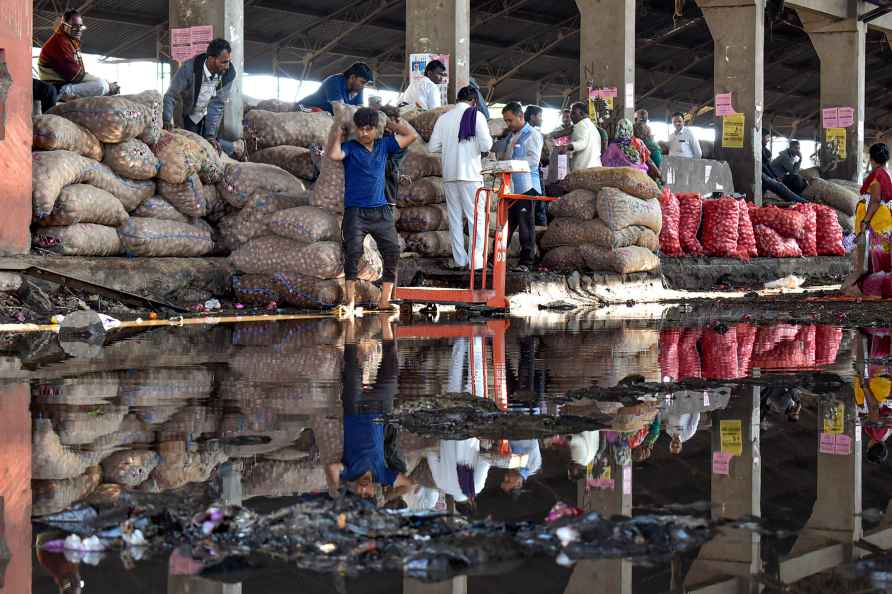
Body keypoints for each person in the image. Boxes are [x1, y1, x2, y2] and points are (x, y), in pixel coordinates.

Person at [327, 107, 417, 314]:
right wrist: (337, 133)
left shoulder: (384, 145)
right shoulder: (350, 147)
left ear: (376, 130)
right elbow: (333, 154)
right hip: (356, 212)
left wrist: (392, 126)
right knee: (353, 253)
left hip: (381, 211)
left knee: (392, 252)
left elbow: (411, 135)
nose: (364, 133)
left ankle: (384, 301)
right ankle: (349, 301)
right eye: (360, 129)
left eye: (368, 129)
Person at [325, 317, 416, 501]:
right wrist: (390, 496)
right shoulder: (382, 475)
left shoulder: (348, 473)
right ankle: (385, 321)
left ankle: (350, 322)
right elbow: (409, 485)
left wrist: (334, 488)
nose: (363, 490)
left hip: (355, 407)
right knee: (391, 367)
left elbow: (332, 468)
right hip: (380, 408)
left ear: (354, 490)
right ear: (374, 492)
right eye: (368, 495)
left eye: (360, 494)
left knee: (351, 364)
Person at [428, 85, 494, 271]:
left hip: (450, 175)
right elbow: (486, 145)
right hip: (471, 175)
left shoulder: (444, 118)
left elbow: (432, 147)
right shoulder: (476, 116)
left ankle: (460, 260)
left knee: (455, 218)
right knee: (476, 219)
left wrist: (450, 150)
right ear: (473, 101)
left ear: (458, 99)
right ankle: (477, 263)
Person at [162, 38, 243, 159]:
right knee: (192, 146)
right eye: (223, 62)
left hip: (209, 113)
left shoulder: (229, 74)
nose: (227, 66)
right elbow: (171, 95)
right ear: (211, 59)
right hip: (190, 113)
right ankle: (234, 147)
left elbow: (216, 104)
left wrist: (210, 135)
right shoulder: (189, 69)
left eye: (229, 61)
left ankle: (235, 147)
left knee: (209, 144)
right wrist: (167, 120)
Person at [498, 101, 544, 272]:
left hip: (527, 186)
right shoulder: (513, 136)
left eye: (510, 120)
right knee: (508, 224)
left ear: (520, 116)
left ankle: (527, 262)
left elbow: (533, 160)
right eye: (506, 121)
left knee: (526, 225)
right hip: (513, 188)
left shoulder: (532, 134)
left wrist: (511, 164)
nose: (508, 124)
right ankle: (494, 259)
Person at [38, 10, 119, 101]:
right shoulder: (59, 42)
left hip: (67, 84)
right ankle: (64, 96)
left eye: (80, 27)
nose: (78, 30)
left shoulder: (70, 41)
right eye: (74, 26)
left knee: (102, 85)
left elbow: (78, 74)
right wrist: (106, 83)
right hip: (56, 88)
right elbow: (75, 76)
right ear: (64, 25)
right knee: (101, 85)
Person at [844, 143, 892, 295]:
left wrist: (865, 221)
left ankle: (872, 286)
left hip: (877, 220)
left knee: (873, 255)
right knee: (878, 254)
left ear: (871, 158)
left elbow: (876, 199)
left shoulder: (878, 174)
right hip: (882, 218)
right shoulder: (885, 172)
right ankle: (875, 285)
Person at [300, 62, 373, 114]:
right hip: (305, 107)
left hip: (326, 113)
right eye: (362, 82)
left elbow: (360, 110)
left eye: (365, 84)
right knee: (318, 112)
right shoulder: (334, 81)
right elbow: (340, 110)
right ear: (352, 77)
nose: (363, 86)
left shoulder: (358, 88)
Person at [761, 133, 807, 203]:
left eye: (799, 148)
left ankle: (797, 197)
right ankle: (800, 201)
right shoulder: (785, 157)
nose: (798, 150)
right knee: (796, 179)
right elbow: (794, 172)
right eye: (795, 148)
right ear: (790, 148)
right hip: (775, 176)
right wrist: (800, 159)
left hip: (776, 176)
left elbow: (794, 170)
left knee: (801, 180)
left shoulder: (790, 156)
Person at [558, 101, 602, 172]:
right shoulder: (591, 126)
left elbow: (582, 143)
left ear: (581, 114)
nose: (571, 116)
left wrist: (566, 147)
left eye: (573, 113)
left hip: (584, 168)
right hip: (595, 166)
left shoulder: (580, 125)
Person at [525, 105, 549, 226]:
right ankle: (540, 233)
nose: (541, 119)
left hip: (528, 175)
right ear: (532, 117)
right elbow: (534, 160)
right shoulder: (533, 133)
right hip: (533, 174)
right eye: (540, 116)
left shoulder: (525, 132)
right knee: (539, 206)